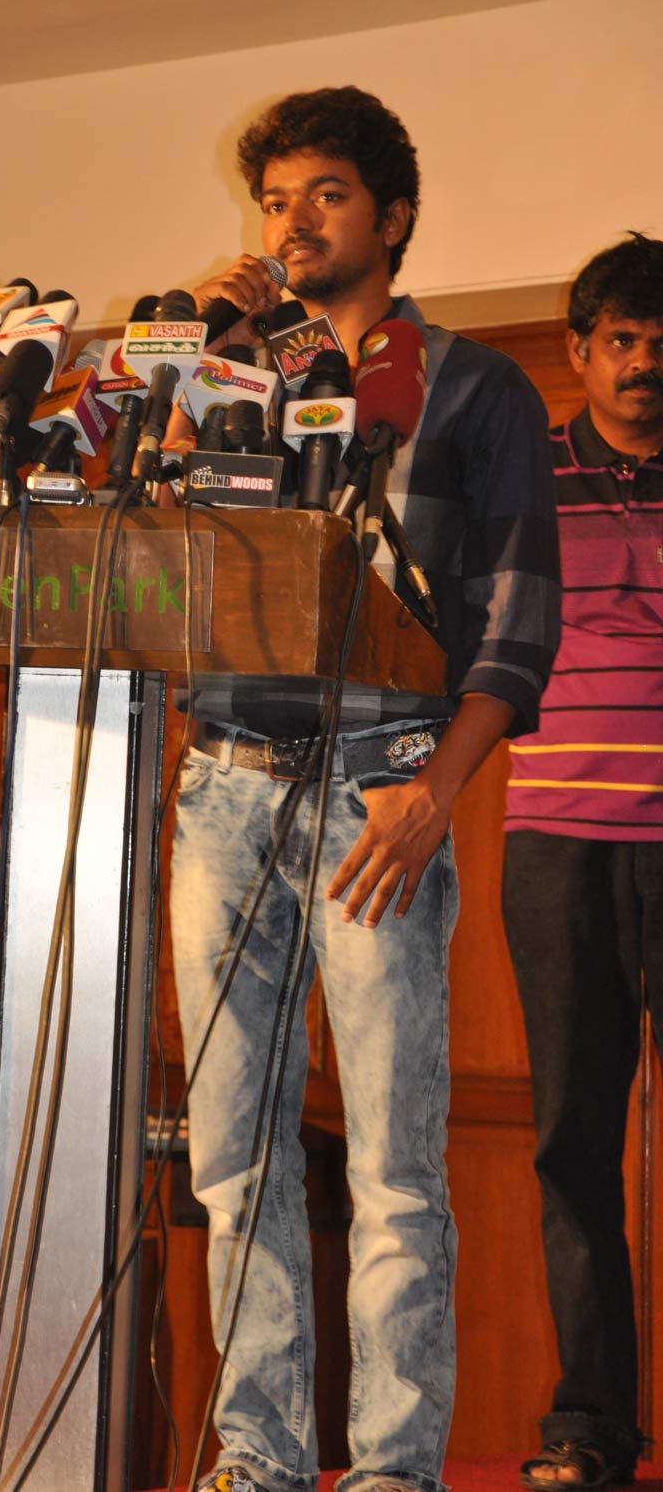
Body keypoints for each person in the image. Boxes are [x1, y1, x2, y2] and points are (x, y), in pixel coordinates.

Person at [168, 86, 561, 1492]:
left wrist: (434, 793)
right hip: (223, 783)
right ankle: (258, 1460)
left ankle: (391, 1470)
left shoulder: (475, 387)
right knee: (232, 1162)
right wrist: (189, 358)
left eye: (322, 195)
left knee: (392, 1166)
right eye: (274, 201)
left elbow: (516, 628)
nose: (290, 224)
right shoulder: (228, 377)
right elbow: (150, 559)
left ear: (390, 218)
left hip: (382, 790)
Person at [501, 234, 663, 1491]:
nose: (643, 362)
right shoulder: (524, 479)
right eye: (621, 340)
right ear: (579, 350)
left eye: (662, 345)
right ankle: (590, 1428)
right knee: (570, 1144)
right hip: (555, 846)